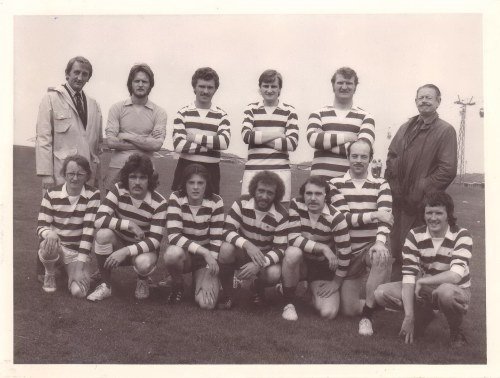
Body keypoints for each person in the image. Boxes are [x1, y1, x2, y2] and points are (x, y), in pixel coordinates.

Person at [374, 192, 472, 348]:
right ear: (424, 214)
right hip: (425, 290)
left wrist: (423, 280)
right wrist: (409, 316)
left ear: (448, 214)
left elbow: (455, 276)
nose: (433, 218)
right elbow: (408, 277)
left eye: (439, 213)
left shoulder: (462, 235)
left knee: (445, 292)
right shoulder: (414, 235)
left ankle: (456, 332)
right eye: (429, 213)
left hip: (456, 290)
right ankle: (424, 315)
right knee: (380, 293)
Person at [385, 84, 457, 269]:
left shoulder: (445, 130)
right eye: (421, 97)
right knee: (398, 252)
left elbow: (447, 170)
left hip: (422, 205)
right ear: (416, 101)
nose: (424, 100)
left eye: (429, 97)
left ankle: (419, 294)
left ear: (438, 102)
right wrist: (395, 187)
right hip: (399, 203)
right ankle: (395, 294)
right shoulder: (405, 128)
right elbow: (392, 157)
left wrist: (419, 191)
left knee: (420, 255)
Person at [329, 139, 392, 335]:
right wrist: (373, 214)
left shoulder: (381, 184)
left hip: (370, 245)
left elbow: (386, 219)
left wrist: (380, 242)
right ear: (348, 157)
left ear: (371, 159)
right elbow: (344, 219)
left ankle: (367, 317)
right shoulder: (334, 184)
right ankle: (381, 300)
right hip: (347, 251)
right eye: (354, 156)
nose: (358, 160)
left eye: (364, 156)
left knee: (380, 256)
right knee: (348, 309)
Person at [87, 154, 167, 301]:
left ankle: (143, 280)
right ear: (126, 178)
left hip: (144, 250)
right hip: (120, 242)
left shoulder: (159, 203)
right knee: (103, 234)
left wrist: (126, 251)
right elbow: (99, 219)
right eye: (132, 177)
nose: (137, 182)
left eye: (142, 177)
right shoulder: (118, 190)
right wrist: (129, 225)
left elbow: (155, 241)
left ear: (149, 179)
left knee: (144, 263)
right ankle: (105, 285)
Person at [281, 176, 352, 321]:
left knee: (328, 313)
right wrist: (323, 247)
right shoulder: (296, 205)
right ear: (303, 194)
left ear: (326, 195)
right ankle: (289, 303)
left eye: (318, 194)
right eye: (309, 193)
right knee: (292, 253)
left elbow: (345, 252)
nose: (313, 198)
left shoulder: (336, 218)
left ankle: (309, 292)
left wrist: (336, 282)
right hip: (301, 263)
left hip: (321, 268)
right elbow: (293, 238)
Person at [218, 171, 289, 309]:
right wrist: (247, 245)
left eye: (270, 193)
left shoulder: (282, 214)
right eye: (261, 191)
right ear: (253, 189)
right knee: (226, 249)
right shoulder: (242, 202)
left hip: (264, 257)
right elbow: (226, 230)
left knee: (274, 274)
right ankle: (228, 293)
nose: (264, 196)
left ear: (276, 195)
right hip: (243, 252)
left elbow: (281, 249)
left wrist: (259, 264)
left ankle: (256, 287)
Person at [36, 155, 100, 297]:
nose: (75, 178)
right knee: (48, 242)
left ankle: (68, 269)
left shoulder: (93, 194)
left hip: (77, 252)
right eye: (71, 173)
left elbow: (88, 233)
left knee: (79, 292)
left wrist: (78, 267)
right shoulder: (51, 193)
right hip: (57, 247)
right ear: (64, 174)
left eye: (80, 174)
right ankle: (50, 273)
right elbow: (41, 226)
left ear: (87, 175)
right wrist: (49, 234)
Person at [163, 164, 225, 309]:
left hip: (205, 260)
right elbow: (174, 236)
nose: (195, 187)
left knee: (207, 305)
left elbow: (216, 240)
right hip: (185, 256)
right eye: (191, 182)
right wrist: (204, 251)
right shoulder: (176, 197)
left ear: (206, 184)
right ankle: (178, 284)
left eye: (200, 183)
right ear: (185, 183)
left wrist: (209, 274)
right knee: (172, 253)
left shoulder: (216, 201)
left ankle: (199, 282)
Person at [36, 56, 102, 189]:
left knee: (84, 210)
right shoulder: (50, 99)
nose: (80, 77)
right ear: (67, 74)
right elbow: (43, 139)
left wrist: (96, 175)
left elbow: (97, 144)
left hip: (86, 175)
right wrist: (46, 175)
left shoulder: (94, 105)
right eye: (76, 72)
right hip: (60, 173)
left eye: (85, 74)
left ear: (88, 78)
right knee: (58, 208)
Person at [104, 63, 167, 189]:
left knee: (144, 208)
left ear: (150, 85)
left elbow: (156, 145)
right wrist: (145, 142)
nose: (140, 84)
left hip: (146, 171)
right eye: (136, 81)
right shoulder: (116, 108)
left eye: (144, 81)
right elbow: (111, 142)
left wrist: (125, 135)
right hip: (118, 168)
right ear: (130, 83)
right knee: (112, 207)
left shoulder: (159, 112)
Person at [307, 67, 375, 180]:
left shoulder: (366, 117)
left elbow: (362, 150)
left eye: (349, 83)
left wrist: (324, 142)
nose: (344, 87)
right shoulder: (317, 114)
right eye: (340, 83)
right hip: (320, 184)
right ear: (333, 86)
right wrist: (347, 138)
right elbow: (313, 140)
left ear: (355, 87)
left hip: (350, 184)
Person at [241, 69, 299, 202]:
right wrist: (278, 134)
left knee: (280, 215)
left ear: (279, 89)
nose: (269, 90)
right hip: (253, 171)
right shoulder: (251, 109)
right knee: (248, 212)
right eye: (265, 86)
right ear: (260, 88)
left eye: (273, 86)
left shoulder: (289, 111)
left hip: (280, 171)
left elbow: (292, 143)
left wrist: (258, 137)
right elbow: (247, 136)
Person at [172, 67, 230, 194]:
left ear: (215, 89)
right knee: (178, 209)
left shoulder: (222, 115)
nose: (205, 91)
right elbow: (179, 145)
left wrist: (194, 138)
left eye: (210, 87)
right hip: (184, 168)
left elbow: (223, 143)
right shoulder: (183, 113)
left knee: (210, 210)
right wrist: (209, 147)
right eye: (202, 86)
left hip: (211, 171)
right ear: (194, 87)